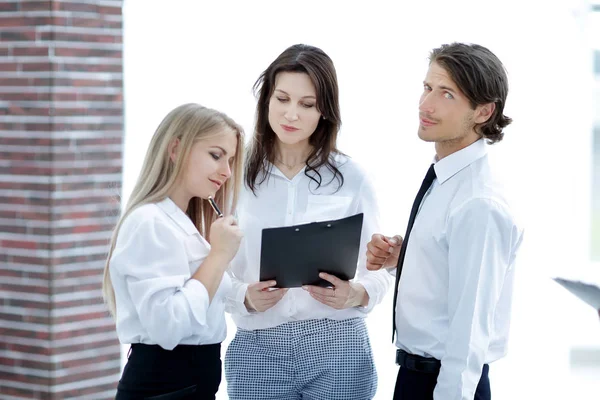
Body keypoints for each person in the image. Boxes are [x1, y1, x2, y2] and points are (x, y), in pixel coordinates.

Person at [224, 44, 391, 400]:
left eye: (307, 104)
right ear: (266, 99)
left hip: (338, 344)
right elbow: (207, 263)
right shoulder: (232, 175)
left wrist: (358, 293)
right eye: (282, 98)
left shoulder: (353, 178)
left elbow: (379, 267)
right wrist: (242, 296)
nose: (291, 114)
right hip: (258, 347)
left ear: (324, 112)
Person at [366, 42, 524, 400]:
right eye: (427, 88)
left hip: (444, 384)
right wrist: (404, 259)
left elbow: (470, 332)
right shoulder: (447, 178)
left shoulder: (478, 202)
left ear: (483, 112)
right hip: (415, 377)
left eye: (447, 94)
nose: (426, 105)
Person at [102, 103, 244, 399]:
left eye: (230, 160)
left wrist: (247, 297)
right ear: (176, 150)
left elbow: (201, 299)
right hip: (165, 386)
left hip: (189, 385)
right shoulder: (149, 222)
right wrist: (218, 256)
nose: (227, 171)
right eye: (216, 155)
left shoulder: (181, 223)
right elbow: (169, 326)